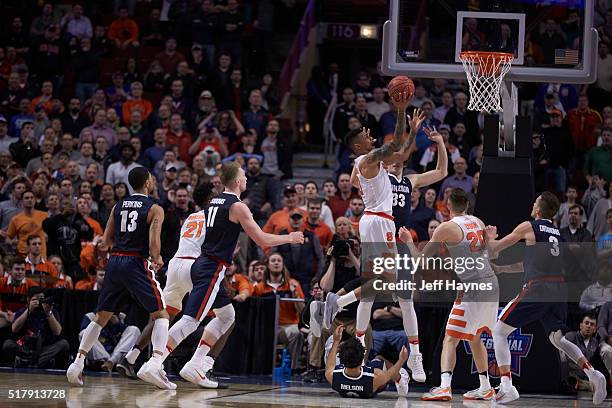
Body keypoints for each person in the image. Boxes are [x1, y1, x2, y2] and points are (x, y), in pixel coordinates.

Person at [156, 162, 304, 388]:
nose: (246, 179)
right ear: (236, 180)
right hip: (210, 267)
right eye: (244, 176)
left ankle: (196, 365)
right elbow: (263, 240)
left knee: (227, 316)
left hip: (201, 262)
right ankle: (155, 362)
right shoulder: (237, 206)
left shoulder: (214, 201)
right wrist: (290, 238)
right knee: (191, 320)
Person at [486, 192, 608, 405]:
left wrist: (490, 237)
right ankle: (593, 373)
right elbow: (531, 263)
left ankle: (507, 387)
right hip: (558, 288)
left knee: (498, 330)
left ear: (539, 209)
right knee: (557, 339)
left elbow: (496, 249)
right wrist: (504, 269)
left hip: (538, 287)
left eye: (535, 203)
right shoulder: (556, 233)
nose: (532, 205)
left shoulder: (529, 226)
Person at [66, 167, 173, 389]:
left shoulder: (118, 206)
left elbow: (105, 241)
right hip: (135, 261)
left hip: (115, 261)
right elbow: (154, 241)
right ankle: (155, 363)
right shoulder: (155, 208)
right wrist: (158, 257)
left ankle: (77, 364)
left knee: (101, 316)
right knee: (161, 314)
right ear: (147, 182)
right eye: (151, 179)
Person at [400, 189, 498, 401]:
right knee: (474, 337)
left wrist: (408, 240)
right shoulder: (478, 222)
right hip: (491, 283)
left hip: (472, 286)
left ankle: (445, 386)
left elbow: (420, 261)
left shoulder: (446, 227)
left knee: (450, 339)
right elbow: (492, 253)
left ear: (447, 205)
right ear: (467, 206)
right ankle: (486, 386)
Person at [116, 183, 215, 378]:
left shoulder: (189, 218)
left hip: (175, 266)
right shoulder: (214, 218)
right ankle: (199, 366)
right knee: (220, 317)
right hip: (194, 269)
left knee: (163, 317)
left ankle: (131, 358)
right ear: (211, 199)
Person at [325, 326, 410, 399]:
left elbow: (329, 366)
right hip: (373, 385)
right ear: (363, 358)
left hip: (354, 381)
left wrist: (336, 341)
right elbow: (390, 374)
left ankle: (377, 359)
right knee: (381, 363)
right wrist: (401, 360)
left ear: (341, 359)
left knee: (377, 362)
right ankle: (401, 381)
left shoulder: (332, 375)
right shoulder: (376, 377)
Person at [563, 313, 607, 390]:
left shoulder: (595, 342)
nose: (589, 326)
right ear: (580, 326)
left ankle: (588, 386)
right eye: (586, 323)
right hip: (572, 378)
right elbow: (567, 360)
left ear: (595, 330)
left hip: (587, 379)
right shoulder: (570, 337)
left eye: (592, 324)